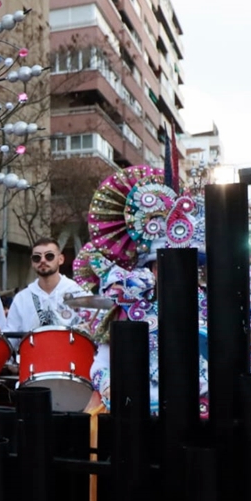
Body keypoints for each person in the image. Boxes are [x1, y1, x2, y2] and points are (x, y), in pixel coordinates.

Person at [86, 166, 208, 416]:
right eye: (166, 266)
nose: (180, 274)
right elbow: (101, 364)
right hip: (140, 413)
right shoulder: (130, 305)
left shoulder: (208, 304)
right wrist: (109, 385)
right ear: (152, 267)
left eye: (188, 265)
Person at [5, 237, 88, 338]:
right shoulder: (21, 298)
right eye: (37, 257)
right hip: (32, 352)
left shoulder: (78, 293)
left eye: (49, 256)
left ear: (60, 259)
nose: (43, 260)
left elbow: (94, 327)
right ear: (32, 262)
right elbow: (11, 336)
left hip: (70, 351)